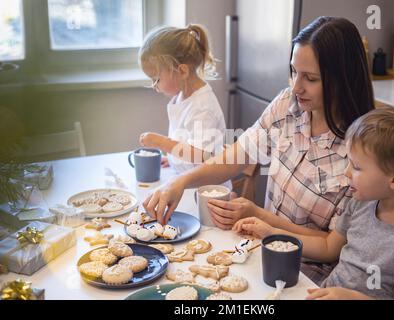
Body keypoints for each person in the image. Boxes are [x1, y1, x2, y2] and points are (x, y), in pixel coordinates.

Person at [143, 16, 374, 284]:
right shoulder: (287, 105)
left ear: (342, 79)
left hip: (306, 275)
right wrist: (181, 182)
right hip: (259, 249)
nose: (296, 87)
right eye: (293, 72)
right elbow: (238, 155)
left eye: (310, 78)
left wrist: (260, 216)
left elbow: (331, 246)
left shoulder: (361, 153)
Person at [234, 108, 394, 300]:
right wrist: (273, 233)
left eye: (357, 167)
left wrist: (351, 298)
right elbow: (327, 248)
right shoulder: (361, 203)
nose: (347, 172)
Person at [138, 24, 228, 175]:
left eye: (157, 79)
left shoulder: (203, 107)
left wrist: (161, 143)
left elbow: (201, 155)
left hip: (205, 188)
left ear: (182, 71)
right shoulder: (182, 96)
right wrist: (173, 158)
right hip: (186, 178)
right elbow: (186, 141)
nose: (154, 86)